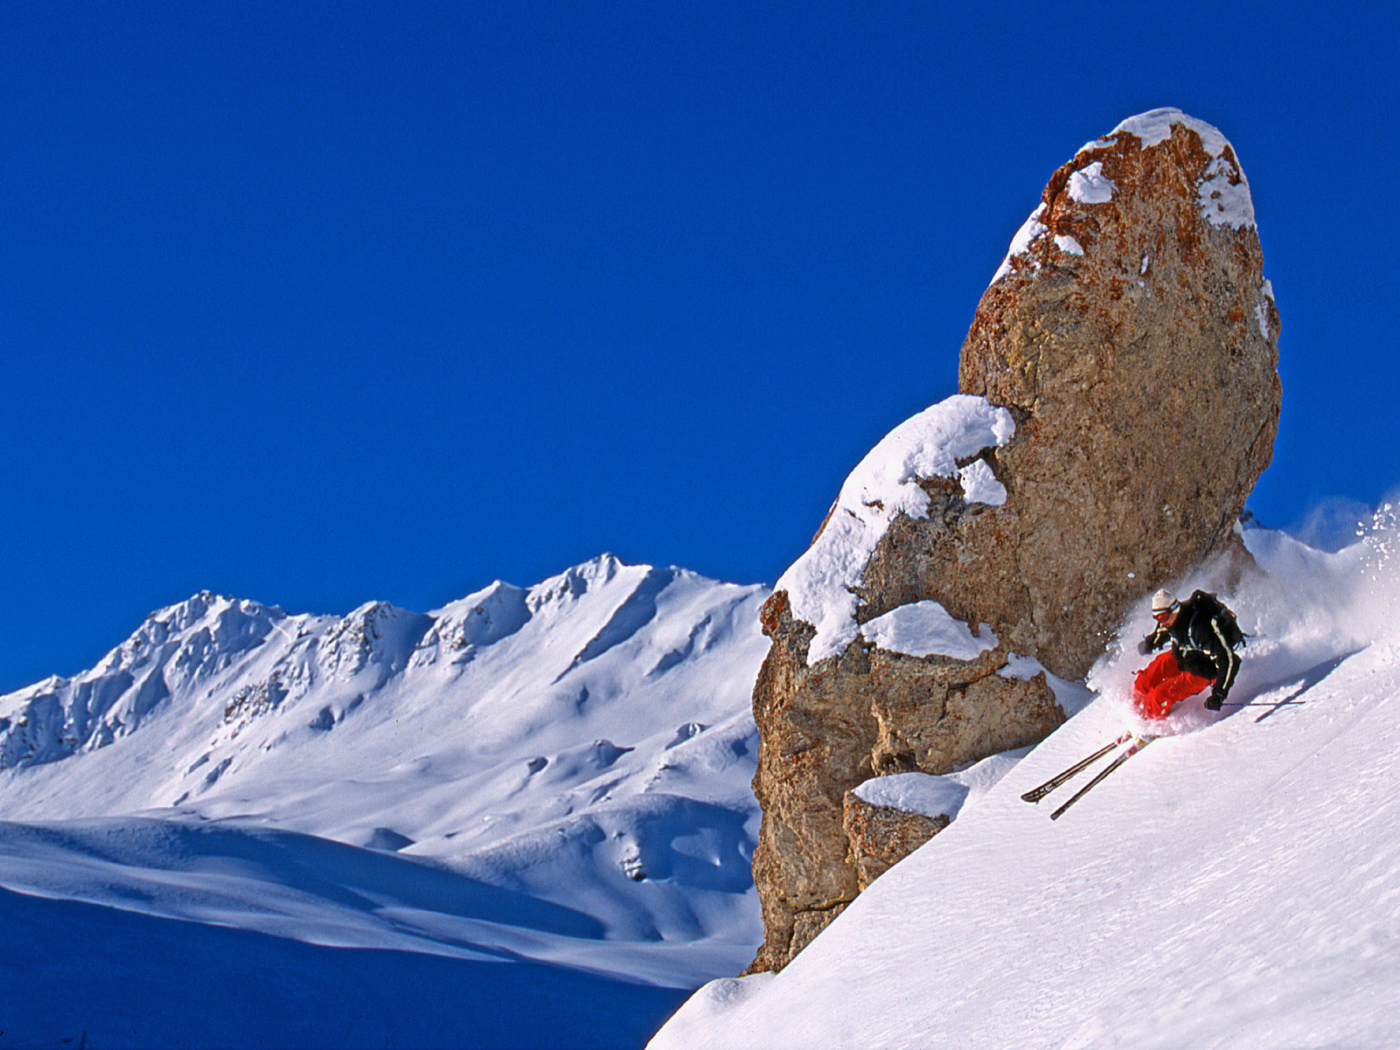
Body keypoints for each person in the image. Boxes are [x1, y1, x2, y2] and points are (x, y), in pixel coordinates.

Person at [1133, 588, 1242, 719]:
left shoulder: (1200, 628)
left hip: (1204, 670)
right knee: (1143, 681)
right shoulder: (1168, 622)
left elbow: (1229, 660)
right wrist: (1149, 644)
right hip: (1185, 656)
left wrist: (1218, 694)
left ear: (1173, 609)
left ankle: (1153, 723)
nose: (1160, 622)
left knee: (1158, 695)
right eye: (1156, 618)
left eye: (1162, 617)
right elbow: (1160, 634)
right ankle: (1137, 714)